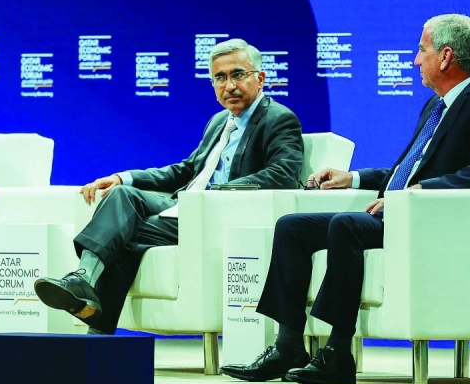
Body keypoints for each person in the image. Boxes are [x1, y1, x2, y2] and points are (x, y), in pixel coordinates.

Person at [221, 14, 470, 384]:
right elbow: (406, 171)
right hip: (400, 212)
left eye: (421, 50)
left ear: (445, 57)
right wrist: (354, 177)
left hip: (434, 221)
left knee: (347, 225)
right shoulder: (436, 106)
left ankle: (338, 353)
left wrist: (417, 194)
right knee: (292, 227)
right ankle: (288, 346)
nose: (415, 60)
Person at [33, 38, 304, 334]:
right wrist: (125, 177)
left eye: (238, 74)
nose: (229, 85)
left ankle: (94, 321)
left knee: (122, 238)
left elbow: (283, 174)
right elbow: (187, 170)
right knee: (123, 196)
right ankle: (83, 282)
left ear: (260, 78)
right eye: (220, 78)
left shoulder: (279, 118)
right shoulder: (218, 122)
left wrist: (216, 195)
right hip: (185, 207)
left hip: (217, 215)